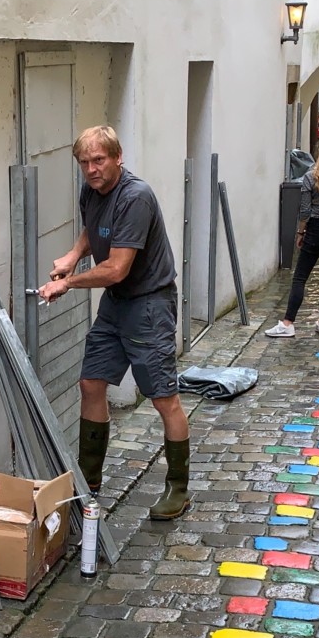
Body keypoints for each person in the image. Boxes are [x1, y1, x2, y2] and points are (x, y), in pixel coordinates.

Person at [37, 125, 191, 521]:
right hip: (116, 304)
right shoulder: (92, 189)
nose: (91, 169)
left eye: (99, 160)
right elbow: (94, 227)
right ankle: (89, 483)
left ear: (117, 157)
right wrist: (73, 254)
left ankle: (178, 487)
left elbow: (117, 269)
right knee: (91, 382)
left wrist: (68, 282)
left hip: (149, 303)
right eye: (84, 163)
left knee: (162, 397)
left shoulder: (135, 198)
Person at [264, 131, 319, 338]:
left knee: (300, 277)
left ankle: (288, 323)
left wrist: (300, 232)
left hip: (316, 227)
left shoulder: (310, 177)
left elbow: (305, 211)